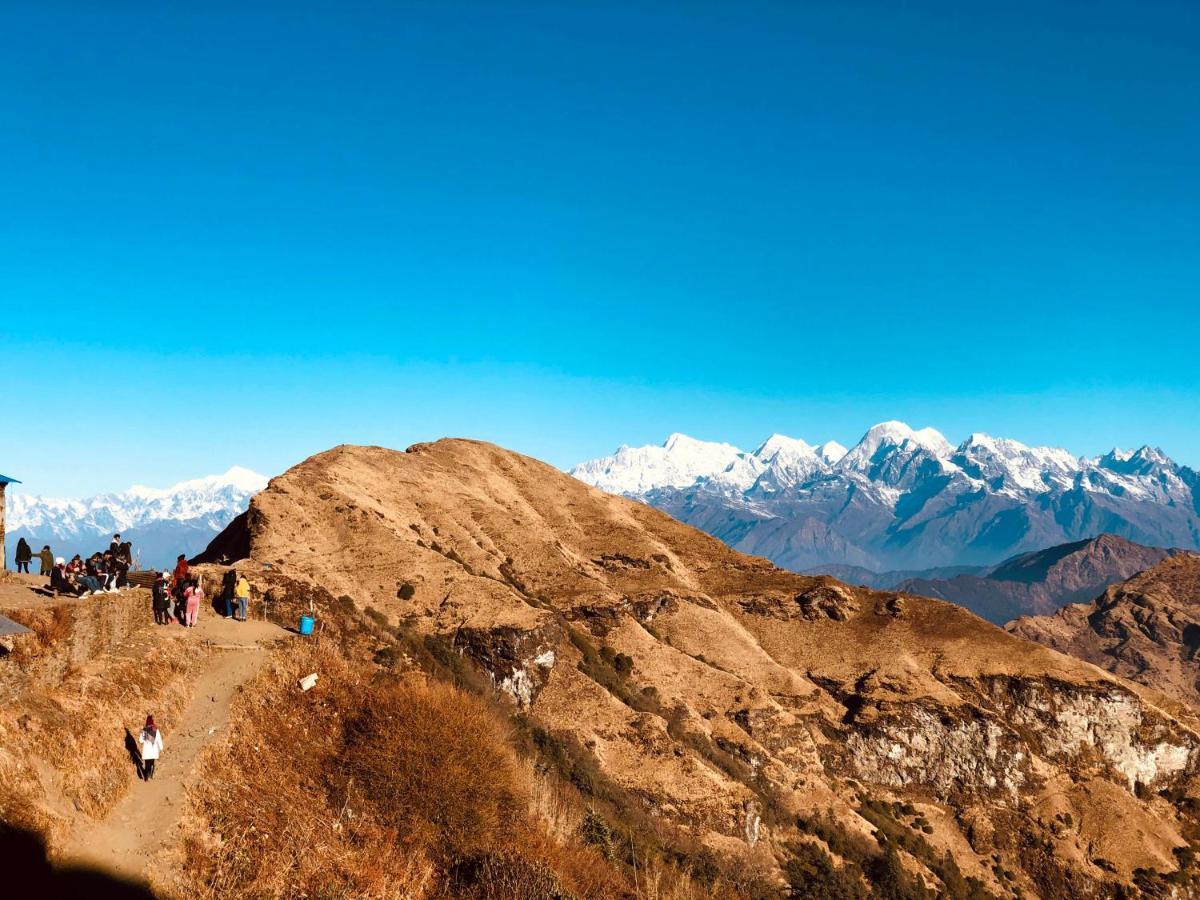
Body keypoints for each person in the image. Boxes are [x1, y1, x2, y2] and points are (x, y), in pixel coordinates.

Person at [139, 715, 163, 780]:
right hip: (153, 750)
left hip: (146, 751)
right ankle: (151, 774)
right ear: (152, 722)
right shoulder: (156, 730)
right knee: (152, 762)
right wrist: (161, 748)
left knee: (147, 764)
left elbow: (140, 741)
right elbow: (159, 740)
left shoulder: (144, 731)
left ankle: (146, 777)